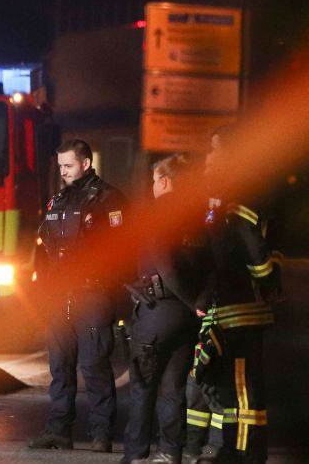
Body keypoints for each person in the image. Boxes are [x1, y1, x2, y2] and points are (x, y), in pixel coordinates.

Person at [183, 127, 280, 464]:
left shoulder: (240, 197)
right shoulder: (233, 195)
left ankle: (246, 452)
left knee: (242, 388)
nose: (211, 157)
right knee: (232, 386)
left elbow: (254, 253)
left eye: (216, 150)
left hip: (240, 309)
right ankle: (234, 447)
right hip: (231, 307)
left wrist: (261, 283)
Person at [28, 139, 128, 453]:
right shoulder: (57, 200)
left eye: (68, 166)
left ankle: (101, 434)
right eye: (60, 167)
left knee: (95, 366)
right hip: (60, 296)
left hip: (93, 293)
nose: (64, 172)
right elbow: (44, 251)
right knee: (59, 367)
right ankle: (59, 430)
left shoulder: (110, 200)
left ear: (85, 163)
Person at [122, 154, 208, 464]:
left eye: (155, 180)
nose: (153, 186)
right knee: (174, 388)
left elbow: (167, 267)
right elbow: (211, 265)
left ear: (166, 181)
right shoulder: (200, 215)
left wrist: (191, 302)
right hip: (186, 318)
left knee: (143, 387)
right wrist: (199, 303)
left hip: (158, 312)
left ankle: (135, 453)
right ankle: (170, 451)